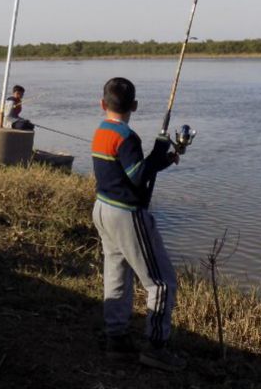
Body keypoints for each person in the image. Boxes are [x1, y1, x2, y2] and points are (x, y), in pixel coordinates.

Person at [91, 77, 184, 371]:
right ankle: (156, 348)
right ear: (134, 106)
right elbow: (138, 175)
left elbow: (131, 170)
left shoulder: (101, 131)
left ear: (102, 104)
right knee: (162, 282)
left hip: (102, 208)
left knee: (116, 274)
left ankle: (116, 339)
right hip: (126, 214)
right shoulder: (126, 137)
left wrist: (164, 158)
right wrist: (158, 153)